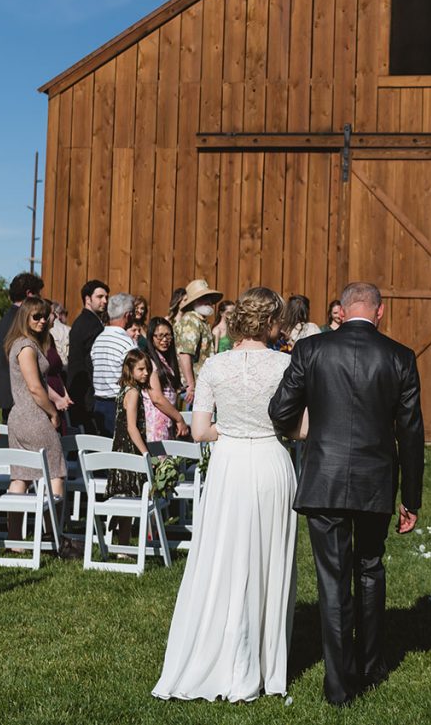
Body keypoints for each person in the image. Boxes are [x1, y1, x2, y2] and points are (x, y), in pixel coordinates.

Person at [268, 282, 423, 707]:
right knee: (370, 568)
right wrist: (411, 497)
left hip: (325, 479)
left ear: (341, 308)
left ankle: (338, 686)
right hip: (376, 481)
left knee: (333, 582)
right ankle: (371, 668)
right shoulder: (400, 357)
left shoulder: (311, 350)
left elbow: (280, 410)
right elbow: (410, 434)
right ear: (380, 311)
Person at [154, 287, 301, 702]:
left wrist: (233, 430)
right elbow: (300, 429)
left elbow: (200, 431)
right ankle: (264, 662)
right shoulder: (287, 365)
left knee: (222, 556)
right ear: (272, 322)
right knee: (269, 558)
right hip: (272, 462)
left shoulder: (216, 366)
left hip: (229, 465)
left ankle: (215, 650)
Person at [4, 298, 72, 506]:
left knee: (20, 476)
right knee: (55, 473)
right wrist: (53, 413)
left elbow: (38, 384)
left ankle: (15, 536)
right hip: (34, 417)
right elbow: (35, 387)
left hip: (19, 418)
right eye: (36, 316)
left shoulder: (23, 344)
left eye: (45, 316)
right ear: (25, 317)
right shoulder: (26, 347)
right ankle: (53, 533)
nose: (42, 321)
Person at [108, 349, 151, 549]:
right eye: (141, 369)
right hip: (129, 448)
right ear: (130, 369)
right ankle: (122, 543)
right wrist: (145, 453)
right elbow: (131, 427)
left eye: (148, 370)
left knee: (126, 495)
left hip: (120, 447)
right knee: (130, 493)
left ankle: (122, 544)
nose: (146, 373)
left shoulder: (124, 390)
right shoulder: (133, 393)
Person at [0, 272, 43, 418]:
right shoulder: (25, 322)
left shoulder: (4, 320)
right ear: (29, 294)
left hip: (7, 394)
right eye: (38, 294)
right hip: (24, 396)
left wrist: (4, 375)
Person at [89, 293, 138, 437]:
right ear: (128, 315)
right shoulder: (127, 343)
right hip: (119, 404)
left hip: (98, 403)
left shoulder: (98, 339)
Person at [66, 279, 109, 432]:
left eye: (106, 297)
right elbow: (93, 363)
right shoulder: (91, 325)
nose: (104, 301)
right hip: (87, 395)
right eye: (100, 297)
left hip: (80, 392)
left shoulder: (81, 321)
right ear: (87, 299)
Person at [174, 278, 222, 406]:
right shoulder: (191, 320)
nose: (209, 302)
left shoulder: (201, 321)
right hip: (192, 390)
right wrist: (191, 385)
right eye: (203, 298)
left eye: (209, 298)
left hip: (201, 386)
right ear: (194, 302)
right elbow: (184, 354)